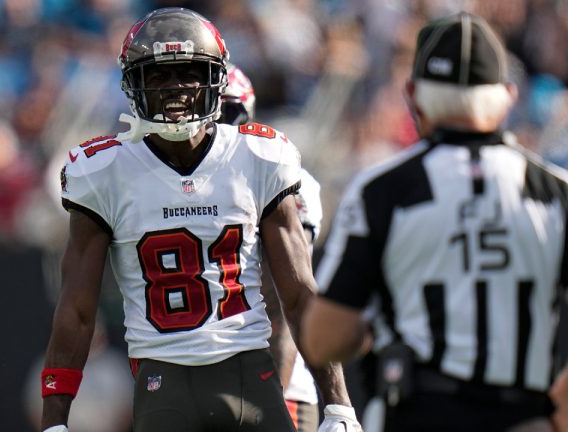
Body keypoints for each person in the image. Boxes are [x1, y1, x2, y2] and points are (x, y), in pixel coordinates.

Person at [40, 7, 355, 432]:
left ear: (216, 80)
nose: (175, 89)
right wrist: (54, 420)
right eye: (159, 76)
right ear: (134, 84)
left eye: (188, 73)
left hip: (251, 375)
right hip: (162, 379)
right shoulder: (104, 170)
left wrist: (338, 404)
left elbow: (297, 296)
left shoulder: (260, 156)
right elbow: (78, 310)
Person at [300, 11, 568, 432]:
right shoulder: (556, 193)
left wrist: (372, 330)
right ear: (509, 96)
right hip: (525, 417)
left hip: (419, 414)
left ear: (413, 95)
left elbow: (322, 338)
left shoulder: (384, 190)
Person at [219, 62, 360, 432]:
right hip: (194, 384)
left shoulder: (274, 178)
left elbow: (284, 303)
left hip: (270, 386)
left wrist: (272, 405)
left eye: (222, 115)